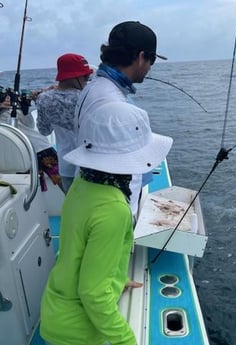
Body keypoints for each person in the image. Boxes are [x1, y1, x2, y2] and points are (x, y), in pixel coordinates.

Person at [40, 101, 173, 345]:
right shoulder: (114, 209)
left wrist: (117, 279)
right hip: (80, 333)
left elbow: (83, 250)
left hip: (55, 313)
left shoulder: (82, 183)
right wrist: (126, 341)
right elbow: (93, 293)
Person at [74, 20, 167, 218]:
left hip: (91, 198)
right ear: (142, 57)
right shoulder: (112, 103)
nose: (150, 67)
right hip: (113, 211)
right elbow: (124, 170)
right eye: (152, 60)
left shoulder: (93, 87)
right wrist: (129, 217)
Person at [36, 53, 93, 192]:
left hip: (66, 165)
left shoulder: (44, 99)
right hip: (91, 165)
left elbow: (44, 131)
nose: (87, 80)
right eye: (85, 76)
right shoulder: (88, 96)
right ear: (74, 76)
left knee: (73, 208)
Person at [0, 94, 64, 192]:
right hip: (25, 153)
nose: (7, 99)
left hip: (36, 150)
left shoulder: (16, 109)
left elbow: (30, 124)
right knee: (28, 187)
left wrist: (24, 108)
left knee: (60, 179)